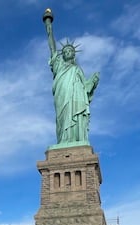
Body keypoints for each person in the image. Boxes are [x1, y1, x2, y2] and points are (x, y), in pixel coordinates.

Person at [43, 8, 99, 145]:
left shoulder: (77, 70)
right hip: (62, 96)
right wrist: (48, 25)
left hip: (76, 99)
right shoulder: (58, 65)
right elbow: (51, 45)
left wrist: (92, 82)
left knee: (77, 116)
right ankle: (64, 141)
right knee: (62, 120)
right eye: (66, 51)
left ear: (74, 55)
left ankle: (77, 140)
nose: (68, 52)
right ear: (62, 54)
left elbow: (85, 89)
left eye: (71, 51)